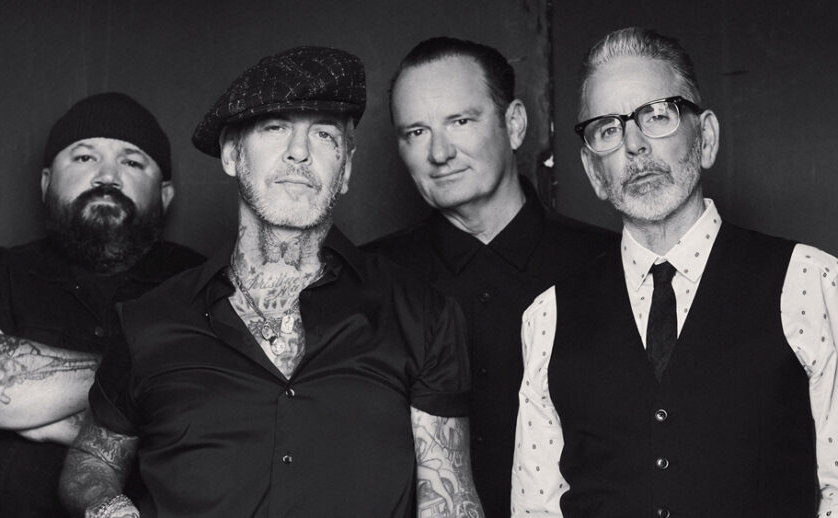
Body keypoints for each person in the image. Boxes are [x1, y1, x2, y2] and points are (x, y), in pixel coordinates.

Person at [59, 46, 484, 518]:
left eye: (323, 134)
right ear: (231, 153)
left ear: (346, 168)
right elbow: (92, 458)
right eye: (275, 127)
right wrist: (109, 508)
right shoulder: (149, 319)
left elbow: (449, 498)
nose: (299, 152)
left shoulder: (421, 314)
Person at [511, 27, 838, 517]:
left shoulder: (811, 281)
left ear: (705, 138)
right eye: (608, 129)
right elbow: (535, 508)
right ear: (593, 171)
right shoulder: (547, 317)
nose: (635, 145)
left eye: (657, 115)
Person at [0, 92, 206, 518]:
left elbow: (232, 410)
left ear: (165, 195)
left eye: (132, 162)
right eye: (84, 157)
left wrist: (29, 408)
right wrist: (142, 398)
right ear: (45, 181)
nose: (107, 176)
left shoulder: (206, 284)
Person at [365, 37, 615, 516]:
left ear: (514, 124)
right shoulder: (368, 280)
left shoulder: (608, 266)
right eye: (416, 131)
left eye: (460, 121)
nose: (440, 152)